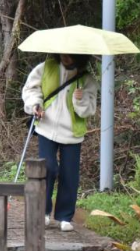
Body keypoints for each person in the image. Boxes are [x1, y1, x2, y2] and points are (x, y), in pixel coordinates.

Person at [22, 54, 97, 232]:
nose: (66, 57)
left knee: (69, 174)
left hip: (72, 133)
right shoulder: (45, 68)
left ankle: (64, 217)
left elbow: (89, 110)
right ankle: (43, 212)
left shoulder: (87, 79)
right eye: (63, 53)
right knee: (47, 168)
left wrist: (80, 100)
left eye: (70, 55)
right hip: (46, 128)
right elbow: (31, 90)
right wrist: (35, 105)